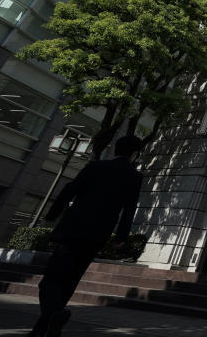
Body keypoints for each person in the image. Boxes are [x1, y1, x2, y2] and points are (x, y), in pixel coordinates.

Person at [29, 135, 144, 337]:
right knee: (70, 282)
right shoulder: (134, 176)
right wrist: (121, 237)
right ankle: (44, 331)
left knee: (50, 281)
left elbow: (70, 190)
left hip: (73, 230)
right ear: (135, 154)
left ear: (116, 149)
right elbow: (129, 209)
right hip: (97, 236)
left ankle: (55, 315)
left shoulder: (95, 167)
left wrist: (51, 215)